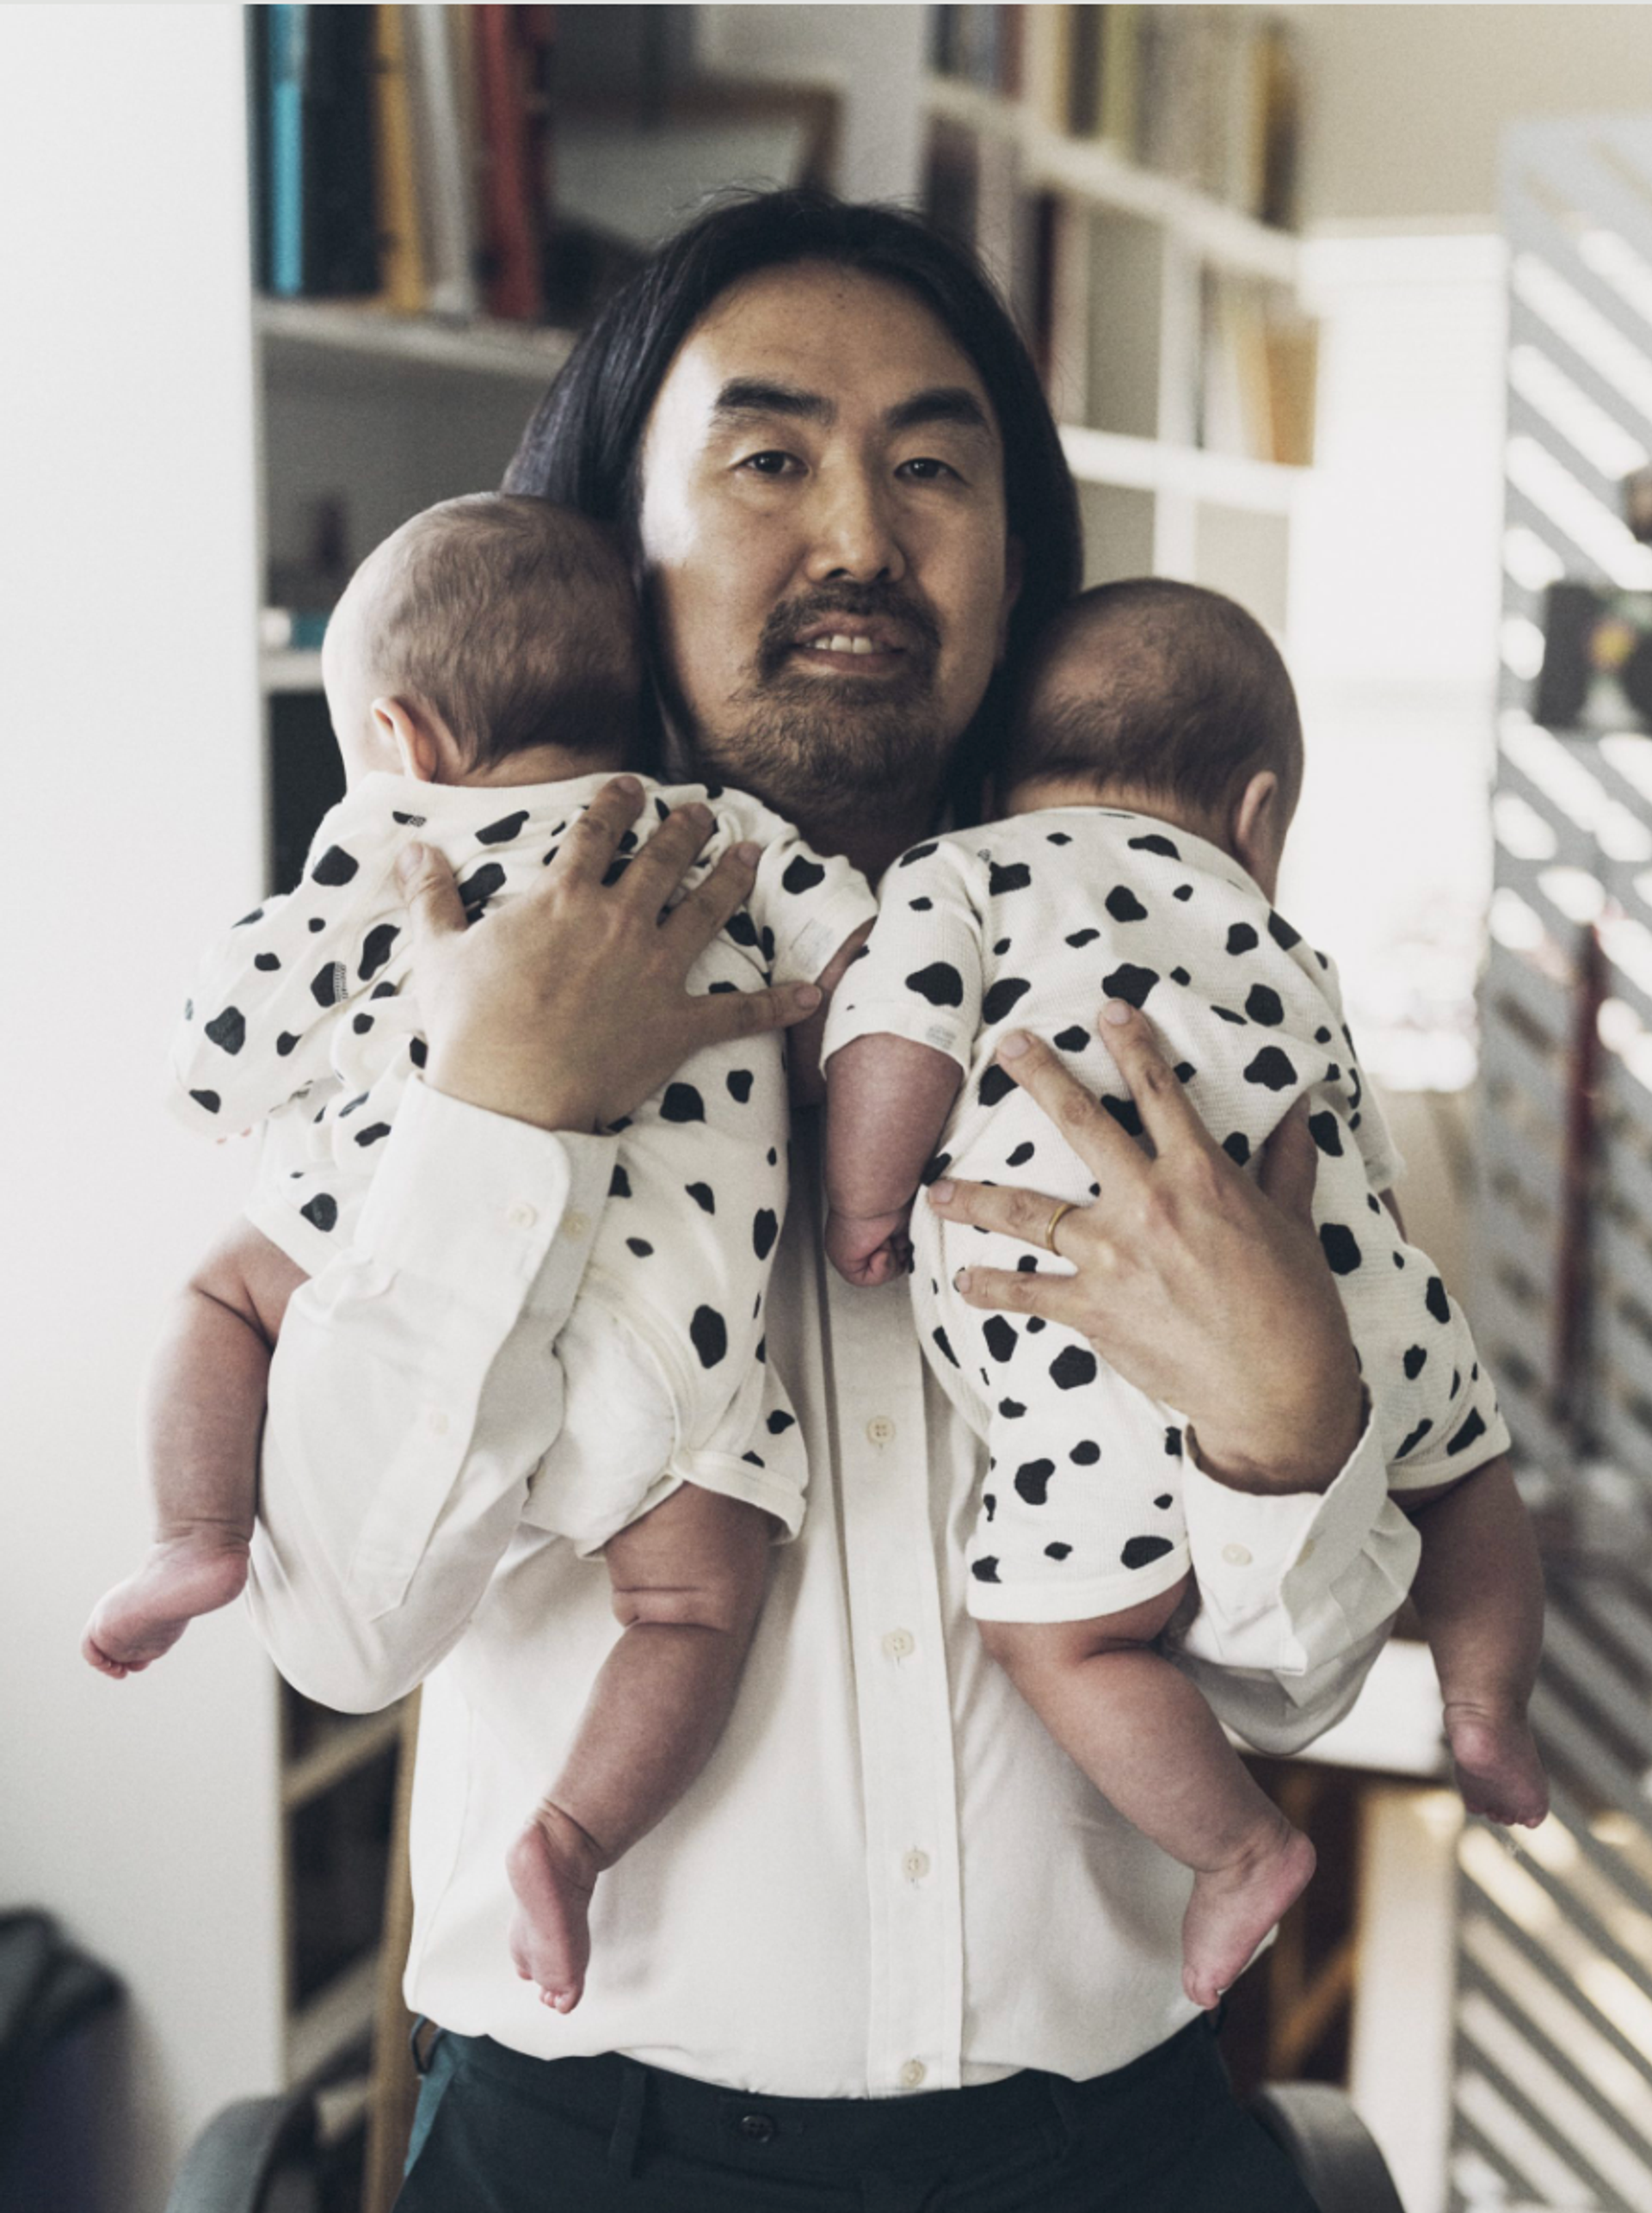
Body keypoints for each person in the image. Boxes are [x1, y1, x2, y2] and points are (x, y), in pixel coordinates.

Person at [241, 191, 1425, 2211]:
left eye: (934, 467)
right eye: (770, 459)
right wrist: (500, 1115)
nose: (863, 538)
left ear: (1018, 559)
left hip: (1118, 2146)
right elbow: (346, 1633)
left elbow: (1291, 1683)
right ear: (618, 537)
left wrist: (1288, 1422)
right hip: (589, 2156)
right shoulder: (408, 975)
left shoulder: (1176, 1005)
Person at [83, 491, 873, 2013]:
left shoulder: (386, 844)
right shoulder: (714, 832)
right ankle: (570, 1841)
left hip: (386, 1243)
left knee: (219, 1294)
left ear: (402, 735)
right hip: (674, 1343)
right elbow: (859, 965)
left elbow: (213, 1063)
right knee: (694, 1605)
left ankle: (194, 1534)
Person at [823, 577, 1548, 2010]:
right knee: (1470, 1480)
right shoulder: (1280, 935)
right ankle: (1487, 1710)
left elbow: (899, 1035)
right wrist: (1356, 1309)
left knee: (1060, 1635)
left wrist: (863, 1200)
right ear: (1258, 814)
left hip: (1091, 1351)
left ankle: (1237, 1850)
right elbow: (1361, 1153)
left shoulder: (965, 871)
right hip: (1337, 1294)